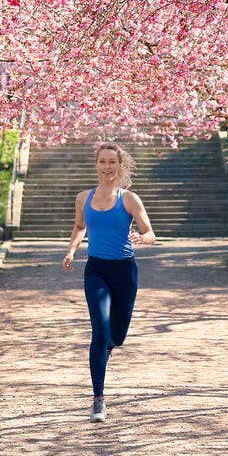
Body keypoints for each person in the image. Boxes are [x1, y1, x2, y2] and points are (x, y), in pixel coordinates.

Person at [62, 141, 155, 422]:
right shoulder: (83, 198)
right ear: (96, 164)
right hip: (96, 270)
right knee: (99, 333)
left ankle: (110, 346)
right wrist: (71, 250)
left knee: (118, 336)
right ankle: (98, 400)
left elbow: (150, 232)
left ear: (119, 165)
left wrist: (142, 238)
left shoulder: (129, 199)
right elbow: (80, 227)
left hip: (125, 271)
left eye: (112, 162)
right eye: (102, 161)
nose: (107, 166)